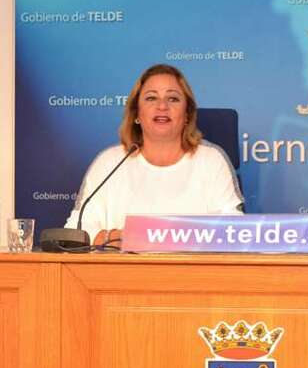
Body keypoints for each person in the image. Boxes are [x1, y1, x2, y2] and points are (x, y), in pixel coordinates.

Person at [65, 64, 243, 246]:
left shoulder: (211, 160)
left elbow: (234, 232)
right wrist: (117, 237)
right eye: (151, 98)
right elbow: (76, 230)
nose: (162, 106)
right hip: (122, 264)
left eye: (173, 98)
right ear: (136, 113)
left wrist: (146, 237)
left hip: (193, 265)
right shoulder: (109, 162)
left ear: (187, 114)